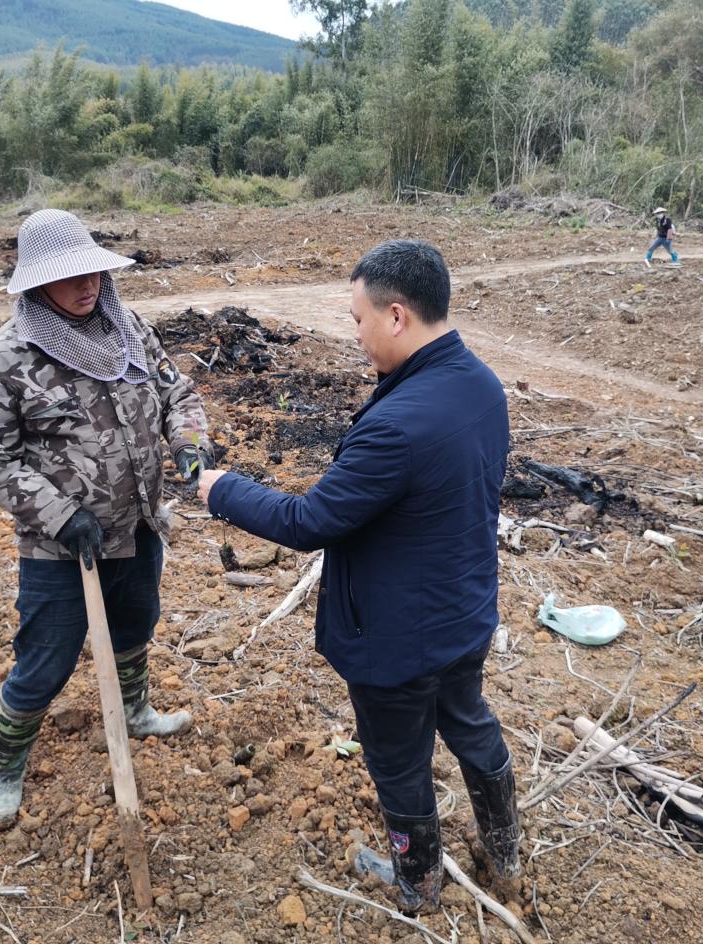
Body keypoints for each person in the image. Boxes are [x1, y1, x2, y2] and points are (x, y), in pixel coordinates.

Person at [196, 240, 518, 912]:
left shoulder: (398, 424)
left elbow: (308, 520)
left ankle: (417, 887)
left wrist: (219, 487)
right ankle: (504, 850)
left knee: (398, 764)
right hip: (465, 613)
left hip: (396, 640)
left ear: (396, 315)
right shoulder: (479, 384)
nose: (355, 333)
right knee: (469, 720)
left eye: (357, 318)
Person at [0, 209, 213, 833]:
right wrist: (57, 512)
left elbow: (177, 394)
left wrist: (187, 442)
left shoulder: (130, 332)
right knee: (46, 659)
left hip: (137, 526)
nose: (87, 286)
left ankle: (134, 711)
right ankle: (4, 768)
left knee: (135, 624)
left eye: (94, 272)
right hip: (61, 547)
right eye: (70, 277)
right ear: (36, 284)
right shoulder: (7, 359)